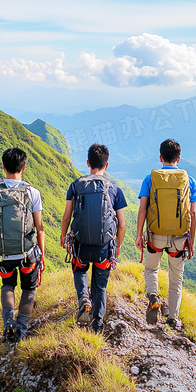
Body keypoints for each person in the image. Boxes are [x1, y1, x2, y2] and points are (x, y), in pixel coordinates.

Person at [60, 143, 127, 333]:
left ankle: (83, 300)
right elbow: (121, 224)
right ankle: (97, 328)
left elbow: (67, 216)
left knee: (80, 271)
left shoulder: (76, 185)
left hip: (81, 247)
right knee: (100, 287)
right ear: (107, 165)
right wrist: (118, 245)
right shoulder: (114, 190)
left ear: (88, 163)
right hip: (104, 248)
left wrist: (63, 236)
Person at [0, 147, 46, 342]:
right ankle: (21, 329)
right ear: (24, 167)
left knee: (8, 285)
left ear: (3, 167)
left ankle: (8, 323)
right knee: (28, 289)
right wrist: (41, 253)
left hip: (4, 254)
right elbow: (40, 227)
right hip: (28, 254)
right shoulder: (32, 192)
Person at [135, 139, 196, 329]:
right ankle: (172, 317)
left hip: (156, 236)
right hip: (179, 238)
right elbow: (192, 213)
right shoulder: (189, 180)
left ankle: (153, 297)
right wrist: (191, 241)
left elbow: (143, 209)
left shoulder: (150, 179)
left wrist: (139, 234)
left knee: (152, 269)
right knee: (175, 279)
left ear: (160, 157)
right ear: (178, 158)